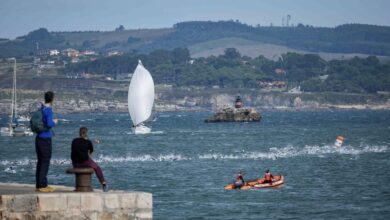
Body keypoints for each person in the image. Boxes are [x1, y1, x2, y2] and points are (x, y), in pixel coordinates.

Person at [71, 127, 108, 192]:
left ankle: (77, 185)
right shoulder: (88, 142)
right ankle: (104, 184)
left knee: (85, 161)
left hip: (75, 163)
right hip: (84, 162)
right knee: (97, 168)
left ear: (79, 133)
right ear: (86, 133)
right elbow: (90, 152)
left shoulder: (74, 141)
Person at [35, 91, 58, 192]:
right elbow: (49, 124)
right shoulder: (48, 110)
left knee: (40, 161)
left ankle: (39, 184)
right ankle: (43, 186)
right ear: (52, 99)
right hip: (45, 139)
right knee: (45, 161)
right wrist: (54, 122)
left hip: (39, 137)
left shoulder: (42, 108)